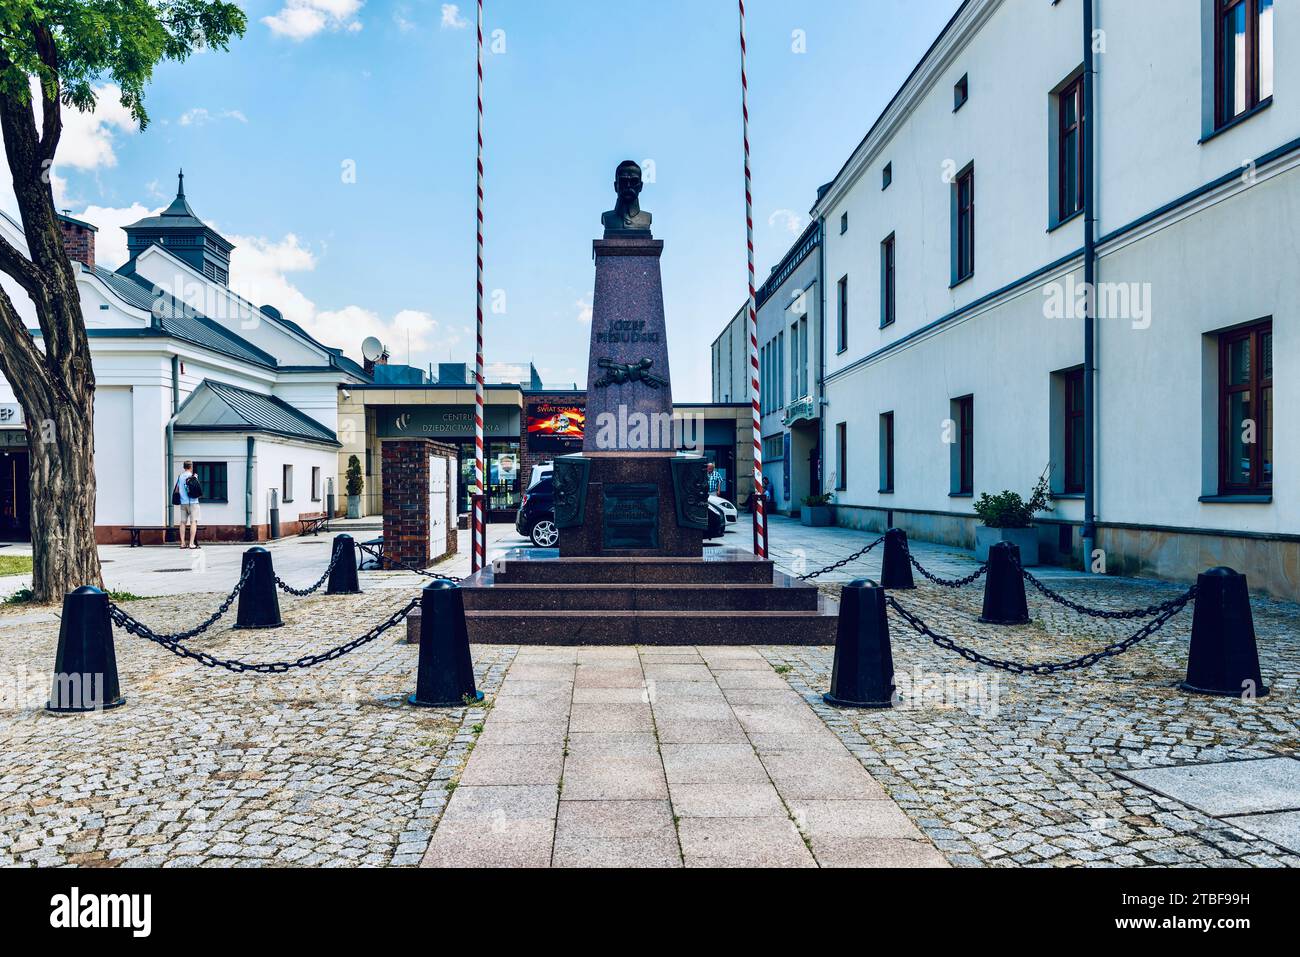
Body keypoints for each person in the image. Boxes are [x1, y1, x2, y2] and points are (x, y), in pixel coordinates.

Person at [172, 460, 203, 549]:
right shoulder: (193, 476)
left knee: (183, 522)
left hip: (183, 503)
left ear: (184, 467)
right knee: (193, 522)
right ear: (191, 467)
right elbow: (198, 489)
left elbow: (177, 489)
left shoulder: (180, 477)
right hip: (193, 503)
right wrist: (195, 478)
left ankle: (182, 543)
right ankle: (191, 543)